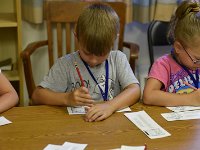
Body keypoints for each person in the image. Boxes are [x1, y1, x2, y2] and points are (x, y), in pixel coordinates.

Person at [32, 3, 140, 122]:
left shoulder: (118, 59)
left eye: (101, 54)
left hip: (111, 127)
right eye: (87, 53)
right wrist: (66, 98)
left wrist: (110, 106)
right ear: (76, 37)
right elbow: (37, 96)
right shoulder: (65, 64)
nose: (93, 60)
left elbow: (135, 90)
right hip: (75, 126)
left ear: (114, 40)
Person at [143, 1, 200, 106]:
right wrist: (190, 99)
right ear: (178, 47)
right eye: (197, 59)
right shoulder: (163, 65)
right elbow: (148, 96)